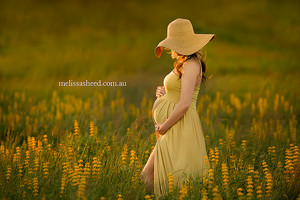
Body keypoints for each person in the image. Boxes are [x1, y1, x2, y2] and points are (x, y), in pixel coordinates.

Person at [140, 18, 215, 198]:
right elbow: (178, 91)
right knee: (152, 177)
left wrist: (164, 126)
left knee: (168, 179)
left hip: (178, 126)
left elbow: (185, 103)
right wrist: (164, 91)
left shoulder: (191, 64)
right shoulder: (184, 62)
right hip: (172, 127)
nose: (171, 48)